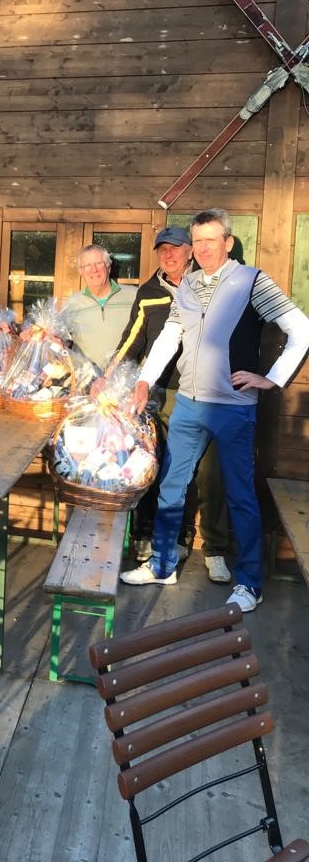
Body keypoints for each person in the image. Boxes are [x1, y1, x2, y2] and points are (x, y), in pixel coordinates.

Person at [120, 208, 309, 612]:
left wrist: (272, 379)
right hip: (188, 404)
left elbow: (301, 329)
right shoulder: (188, 284)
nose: (203, 248)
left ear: (227, 242)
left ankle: (250, 584)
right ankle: (162, 564)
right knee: (171, 486)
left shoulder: (253, 281)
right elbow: (170, 335)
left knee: (239, 494)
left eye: (210, 240)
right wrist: (145, 379)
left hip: (233, 407)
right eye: (198, 241)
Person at [109, 226, 230, 583]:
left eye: (175, 248)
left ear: (190, 251)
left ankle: (212, 548)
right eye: (162, 249)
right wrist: (108, 375)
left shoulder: (211, 284)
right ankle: (153, 538)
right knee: (161, 468)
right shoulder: (149, 292)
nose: (168, 254)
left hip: (208, 394)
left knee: (209, 474)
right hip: (163, 394)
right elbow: (132, 339)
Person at [64, 245, 137, 370]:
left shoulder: (134, 296)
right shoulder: (72, 304)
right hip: (86, 378)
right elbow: (63, 341)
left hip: (126, 377)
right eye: (87, 265)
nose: (94, 270)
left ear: (108, 267)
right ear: (81, 271)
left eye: (98, 263)